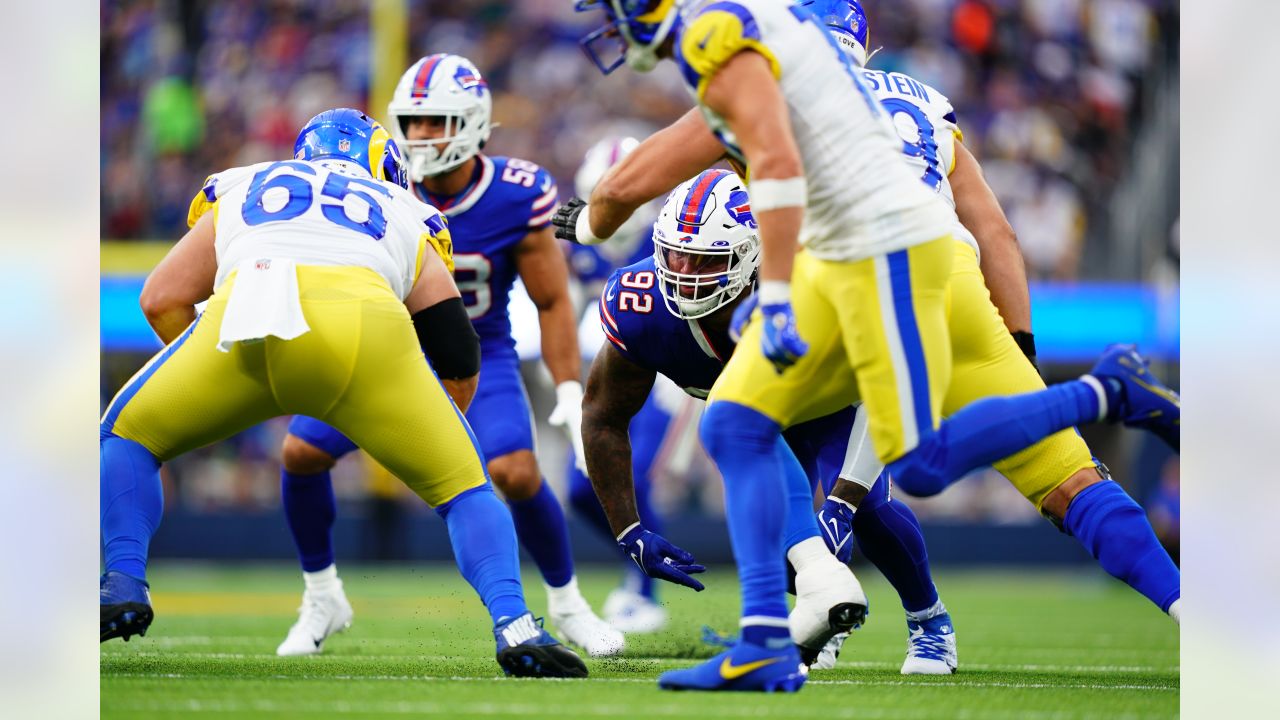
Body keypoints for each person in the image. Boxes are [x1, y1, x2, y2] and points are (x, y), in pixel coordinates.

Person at [568, 0, 1179, 693]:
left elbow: (638, 180)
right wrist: (1019, 360)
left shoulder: (751, 57)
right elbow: (997, 237)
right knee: (744, 421)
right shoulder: (914, 101)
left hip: (873, 264)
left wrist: (589, 225)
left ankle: (1107, 390)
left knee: (882, 454)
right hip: (939, 260)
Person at [99, 108, 587, 678]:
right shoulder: (405, 208)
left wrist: (226, 372)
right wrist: (432, 427)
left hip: (246, 317)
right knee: (467, 490)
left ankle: (124, 579)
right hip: (366, 335)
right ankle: (515, 624)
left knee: (127, 435)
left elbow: (160, 298)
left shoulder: (246, 181)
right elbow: (456, 347)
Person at [272, 55, 623, 659]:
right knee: (300, 452)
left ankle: (567, 603)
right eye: (412, 123)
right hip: (385, 348)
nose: (422, 137)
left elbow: (551, 299)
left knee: (515, 470)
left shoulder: (518, 193)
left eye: (437, 122)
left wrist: (569, 388)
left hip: (480, 353)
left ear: (474, 121)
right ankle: (322, 594)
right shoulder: (374, 184)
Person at [582, 168, 959, 674]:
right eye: (675, 254)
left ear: (751, 256)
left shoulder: (812, 285)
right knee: (777, 536)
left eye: (705, 260)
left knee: (869, 510)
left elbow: (883, 382)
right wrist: (628, 530)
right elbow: (603, 418)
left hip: (836, 403)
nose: (685, 272)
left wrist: (844, 501)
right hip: (760, 427)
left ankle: (929, 622)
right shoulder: (640, 303)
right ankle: (817, 611)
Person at [563, 137, 677, 633]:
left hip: (674, 374)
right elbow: (569, 314)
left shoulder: (666, 231)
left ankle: (644, 589)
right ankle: (645, 567)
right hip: (619, 370)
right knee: (581, 486)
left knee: (637, 474)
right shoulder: (584, 251)